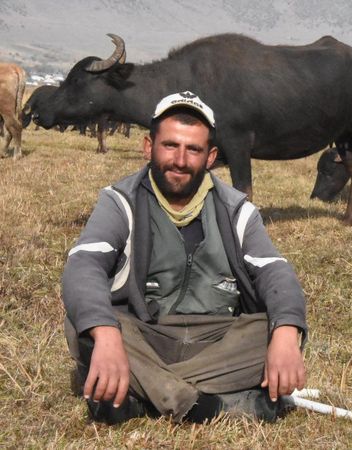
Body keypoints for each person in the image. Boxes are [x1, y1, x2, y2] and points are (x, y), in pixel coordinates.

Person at [61, 91, 307, 424]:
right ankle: (208, 405)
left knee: (278, 328)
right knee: (84, 326)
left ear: (210, 157)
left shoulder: (237, 210)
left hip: (218, 342)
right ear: (148, 147)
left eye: (193, 149)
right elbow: (84, 264)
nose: (179, 160)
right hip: (145, 336)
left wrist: (286, 333)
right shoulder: (120, 201)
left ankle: (143, 394)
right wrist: (106, 335)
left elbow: (275, 271)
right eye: (170, 145)